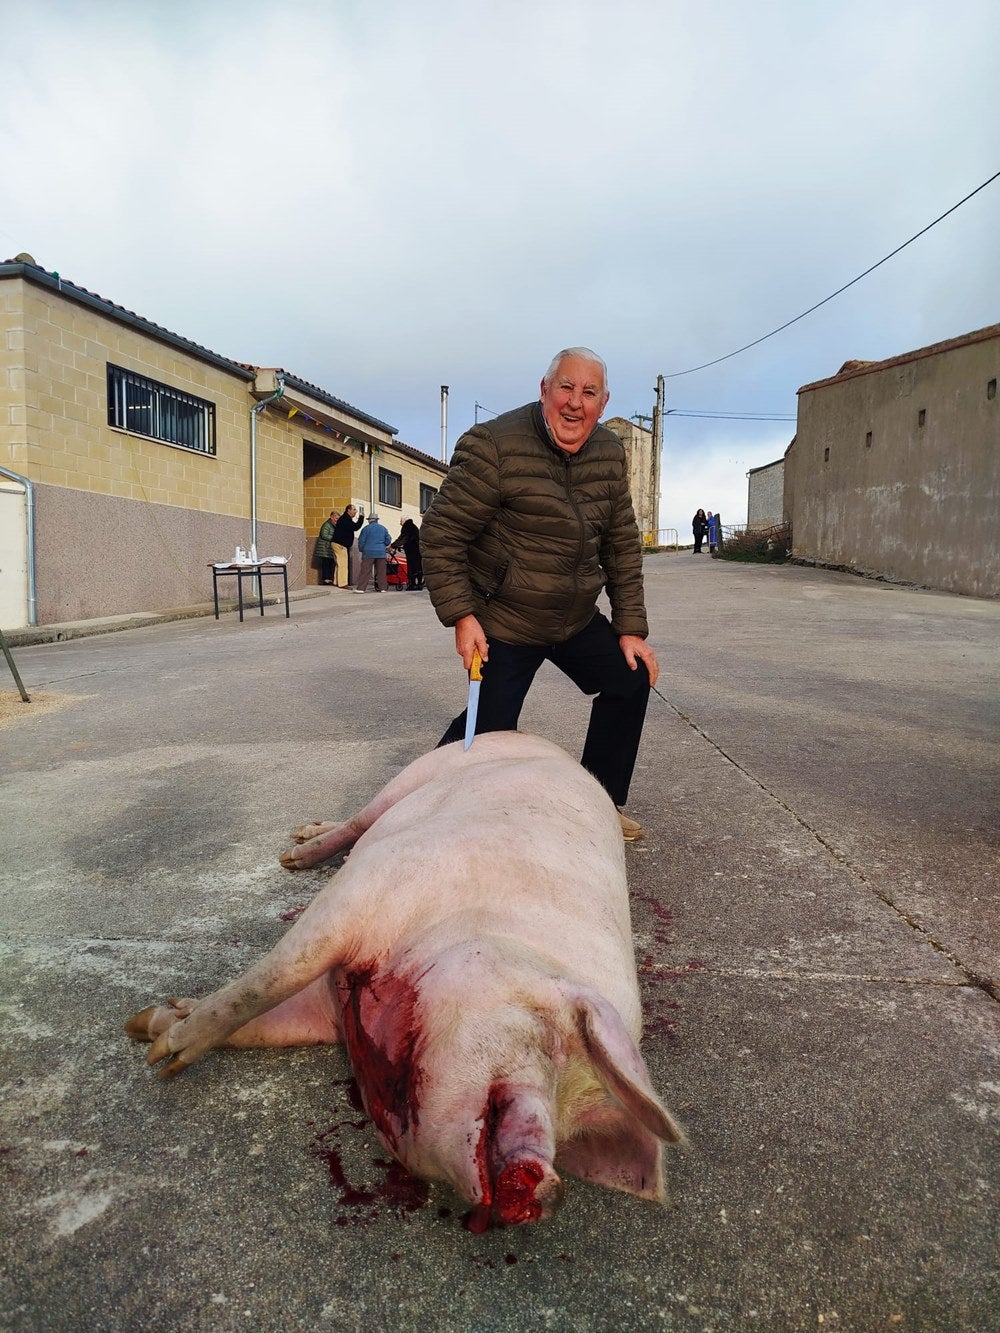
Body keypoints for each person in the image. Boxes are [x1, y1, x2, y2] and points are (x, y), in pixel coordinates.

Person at [420, 346, 658, 840]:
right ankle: (414, 808)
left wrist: (630, 628)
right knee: (486, 731)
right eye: (566, 388)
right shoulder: (494, 444)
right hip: (507, 618)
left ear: (603, 400)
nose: (576, 403)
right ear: (544, 390)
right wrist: (463, 616)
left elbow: (621, 545)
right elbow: (442, 534)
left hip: (572, 616)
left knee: (630, 680)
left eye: (589, 393)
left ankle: (599, 802)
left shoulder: (608, 453)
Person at [354, 513, 392, 593]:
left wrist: (361, 549)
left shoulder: (365, 529)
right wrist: (383, 545)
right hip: (381, 553)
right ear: (377, 520)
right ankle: (383, 588)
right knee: (381, 572)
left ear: (370, 520)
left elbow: (361, 541)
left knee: (365, 571)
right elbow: (388, 540)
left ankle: (361, 589)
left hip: (368, 552)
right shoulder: (383, 528)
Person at [331, 504, 365, 587]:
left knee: (339, 563)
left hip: (337, 543)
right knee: (343, 564)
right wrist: (361, 518)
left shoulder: (345, 518)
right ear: (348, 510)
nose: (355, 511)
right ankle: (343, 583)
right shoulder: (346, 519)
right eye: (354, 510)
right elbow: (356, 527)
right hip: (340, 544)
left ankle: (336, 581)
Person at [392, 518, 423, 590]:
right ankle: (419, 584)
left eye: (400, 521)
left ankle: (412, 585)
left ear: (404, 521)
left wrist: (393, 545)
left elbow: (403, 538)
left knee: (412, 568)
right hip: (418, 550)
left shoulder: (407, 527)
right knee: (418, 567)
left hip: (411, 551)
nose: (400, 523)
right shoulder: (414, 527)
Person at [313, 510, 339, 584]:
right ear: (331, 517)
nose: (337, 520)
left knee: (330, 563)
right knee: (326, 563)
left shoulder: (332, 525)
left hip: (328, 548)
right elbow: (324, 535)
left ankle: (329, 578)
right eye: (336, 518)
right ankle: (326, 579)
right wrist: (334, 538)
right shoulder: (327, 525)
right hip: (324, 548)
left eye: (337, 518)